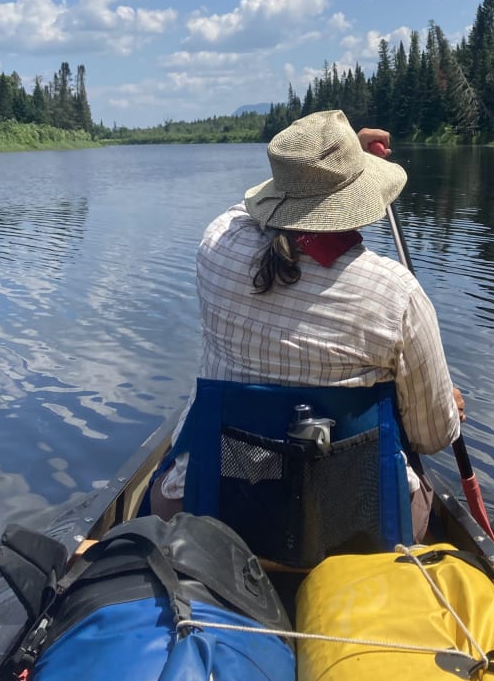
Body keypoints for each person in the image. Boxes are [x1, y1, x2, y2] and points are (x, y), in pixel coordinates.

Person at [154, 109, 464, 539]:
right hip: (354, 529)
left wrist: (320, 169)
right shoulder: (397, 294)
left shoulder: (217, 247)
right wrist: (448, 408)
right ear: (360, 196)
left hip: (210, 511)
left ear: (278, 194)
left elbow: (244, 213)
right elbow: (433, 436)